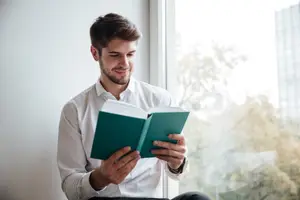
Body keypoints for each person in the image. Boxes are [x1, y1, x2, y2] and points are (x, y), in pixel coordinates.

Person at [57, 13, 211, 200]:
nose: (125, 64)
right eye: (115, 55)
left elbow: (174, 173)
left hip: (150, 199)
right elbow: (70, 187)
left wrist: (177, 162)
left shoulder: (160, 99)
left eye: (130, 54)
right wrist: (101, 177)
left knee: (197, 198)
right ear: (95, 53)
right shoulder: (75, 110)